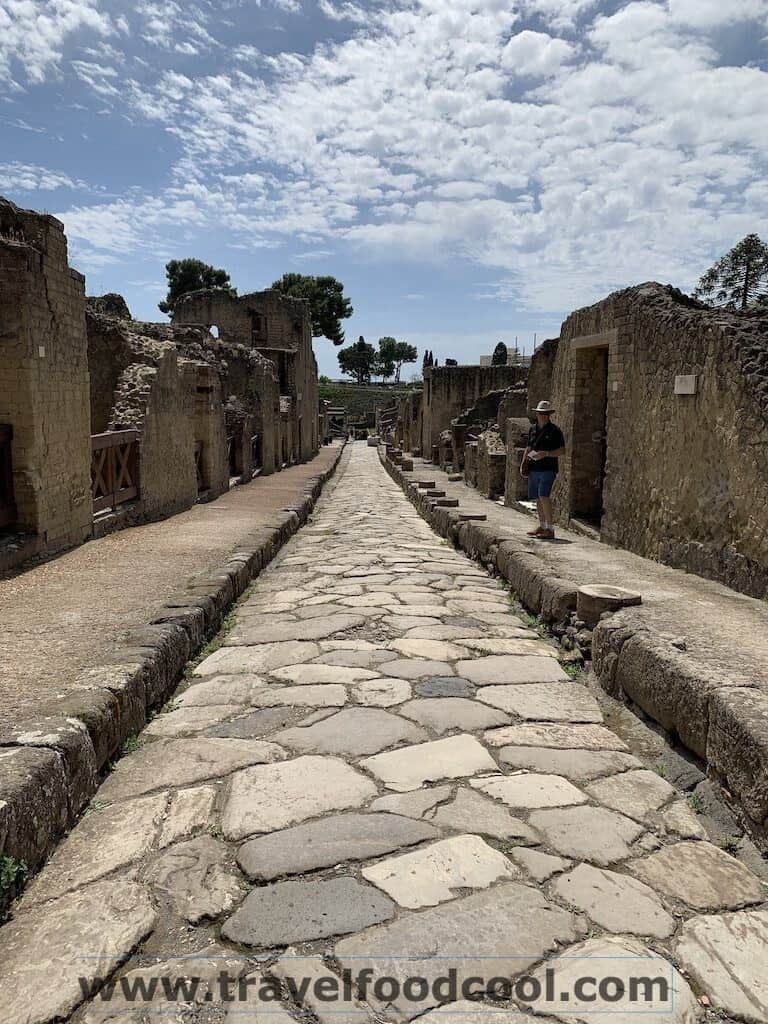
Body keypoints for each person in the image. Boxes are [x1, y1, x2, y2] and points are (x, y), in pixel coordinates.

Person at [522, 400, 565, 540]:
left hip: (548, 468)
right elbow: (528, 447)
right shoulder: (532, 429)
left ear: (549, 415)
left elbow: (562, 450)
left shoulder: (555, 431)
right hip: (534, 468)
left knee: (543, 496)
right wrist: (523, 463)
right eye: (541, 413)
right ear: (537, 414)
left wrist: (546, 454)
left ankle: (550, 529)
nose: (543, 415)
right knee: (537, 498)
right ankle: (542, 525)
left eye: (546, 413)